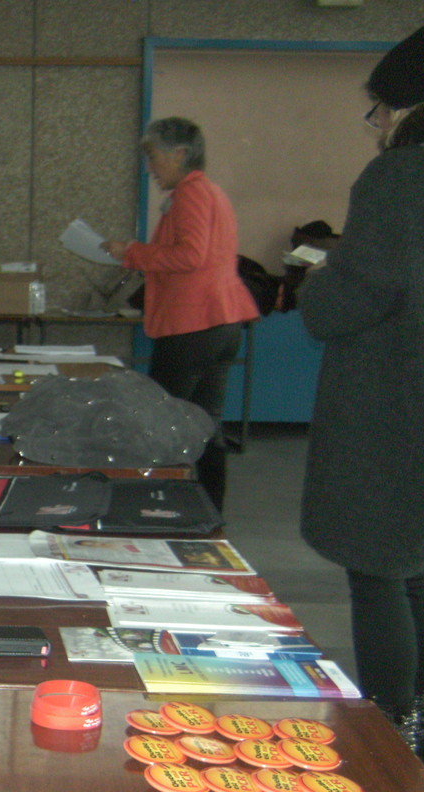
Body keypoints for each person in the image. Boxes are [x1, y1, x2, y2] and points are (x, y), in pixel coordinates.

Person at [297, 24, 424, 754]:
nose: (374, 123)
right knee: (420, 571)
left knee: (379, 573)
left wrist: (320, 283)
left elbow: (358, 296)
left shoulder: (400, 178)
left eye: (380, 107)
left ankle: (391, 733)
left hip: (393, 411)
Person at [102, 117, 258, 513]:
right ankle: (209, 511)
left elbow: (190, 255)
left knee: (164, 422)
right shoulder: (211, 192)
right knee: (205, 425)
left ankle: (159, 508)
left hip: (193, 324)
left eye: (154, 157)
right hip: (220, 322)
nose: (150, 168)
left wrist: (132, 252)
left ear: (181, 154)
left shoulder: (191, 194)